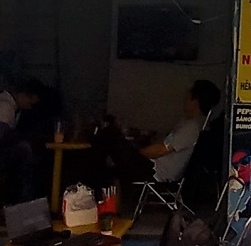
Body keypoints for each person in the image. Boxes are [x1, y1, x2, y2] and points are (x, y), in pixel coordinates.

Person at [90, 80, 221, 189]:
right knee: (111, 144)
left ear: (194, 102)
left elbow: (160, 150)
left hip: (156, 172)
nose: (184, 100)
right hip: (153, 166)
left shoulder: (192, 127)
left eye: (187, 96)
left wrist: (134, 153)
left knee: (111, 133)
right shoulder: (188, 123)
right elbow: (167, 142)